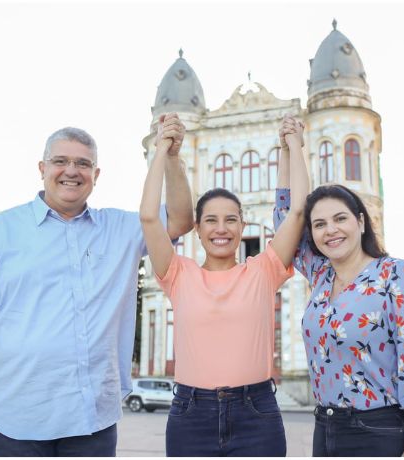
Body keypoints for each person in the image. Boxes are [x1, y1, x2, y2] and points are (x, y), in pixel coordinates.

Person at [0, 115, 194, 456]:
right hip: (14, 418)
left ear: (95, 176)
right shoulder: (1, 229)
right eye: (61, 161)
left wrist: (171, 158)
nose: (72, 171)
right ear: (42, 168)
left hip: (91, 419)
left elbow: (180, 220)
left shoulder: (122, 229)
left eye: (83, 164)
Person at [273, 135, 404, 456]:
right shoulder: (320, 275)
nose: (330, 230)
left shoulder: (396, 275)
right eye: (320, 224)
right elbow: (286, 216)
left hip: (380, 431)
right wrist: (291, 148)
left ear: (360, 222)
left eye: (340, 218)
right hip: (325, 429)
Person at [139, 115, 310, 456]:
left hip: (256, 412)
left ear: (242, 225)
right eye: (211, 221)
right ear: (197, 229)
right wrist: (162, 151)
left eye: (231, 219)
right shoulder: (177, 273)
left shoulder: (263, 271)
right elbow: (148, 217)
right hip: (191, 414)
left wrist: (293, 147)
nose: (222, 229)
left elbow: (297, 213)